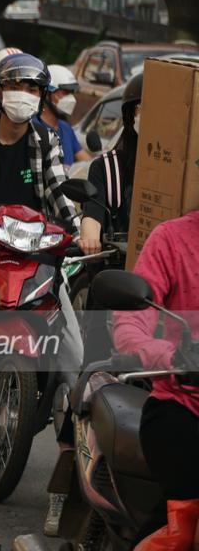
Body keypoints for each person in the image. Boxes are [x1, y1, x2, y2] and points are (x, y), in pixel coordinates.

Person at [112, 211, 199, 551]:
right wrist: (171, 355)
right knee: (183, 526)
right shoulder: (172, 238)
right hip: (182, 405)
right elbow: (131, 324)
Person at [0, 53, 86, 243]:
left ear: (41, 96)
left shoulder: (47, 141)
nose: (23, 95)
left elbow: (59, 192)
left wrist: (80, 237)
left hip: (34, 247)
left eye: (31, 89)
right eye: (14, 87)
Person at [80, 73, 141, 247]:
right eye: (142, 108)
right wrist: (89, 237)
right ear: (130, 115)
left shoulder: (182, 172)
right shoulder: (107, 167)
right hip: (119, 264)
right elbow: (93, 211)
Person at [36, 63, 88, 167]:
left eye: (72, 92)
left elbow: (86, 161)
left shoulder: (66, 128)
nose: (71, 98)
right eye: (65, 92)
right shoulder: (33, 127)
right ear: (46, 93)